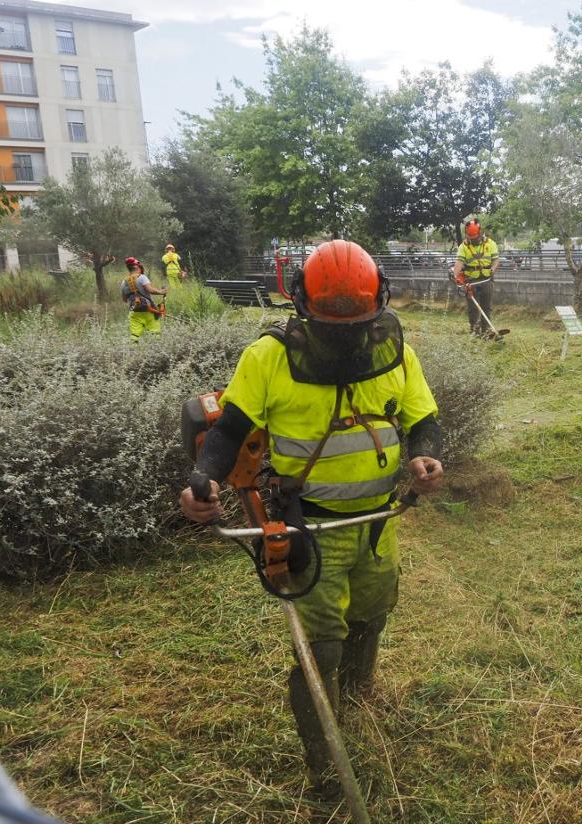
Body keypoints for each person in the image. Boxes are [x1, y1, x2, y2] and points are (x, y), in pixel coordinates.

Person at [177, 240, 444, 790]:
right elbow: (227, 432)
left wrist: (425, 454)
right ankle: (325, 762)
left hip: (377, 522)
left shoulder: (395, 352)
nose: (346, 334)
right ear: (300, 305)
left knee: (371, 616)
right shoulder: (269, 357)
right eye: (333, 323)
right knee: (321, 646)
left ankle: (359, 700)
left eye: (356, 322)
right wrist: (201, 481)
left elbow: (423, 418)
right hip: (312, 526)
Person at [450, 218, 499, 338]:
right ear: (467, 235)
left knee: (486, 307)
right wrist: (455, 276)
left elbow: (496, 260)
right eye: (471, 238)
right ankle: (474, 331)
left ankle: (486, 331)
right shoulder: (464, 246)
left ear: (480, 233)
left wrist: (492, 269)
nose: (473, 240)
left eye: (475, 237)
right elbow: (459, 262)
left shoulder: (490, 243)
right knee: (473, 308)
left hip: (487, 280)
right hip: (470, 281)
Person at [120, 257, 167, 343]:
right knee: (155, 332)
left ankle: (132, 350)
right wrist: (161, 292)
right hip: (148, 310)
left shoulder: (124, 282)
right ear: (136, 267)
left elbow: (124, 299)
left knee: (134, 335)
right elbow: (150, 290)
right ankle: (157, 349)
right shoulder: (142, 277)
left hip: (134, 312)